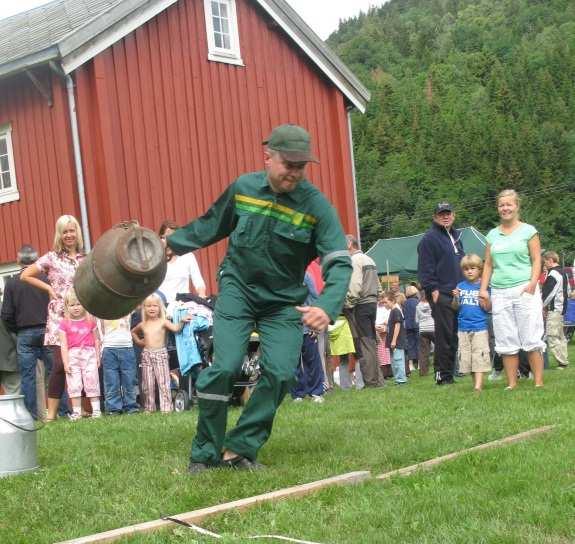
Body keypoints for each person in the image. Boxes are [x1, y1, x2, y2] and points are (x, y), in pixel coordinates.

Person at [166, 124, 352, 472]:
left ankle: (240, 448)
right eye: (288, 164)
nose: (294, 173)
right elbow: (210, 225)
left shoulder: (316, 207)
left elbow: (338, 262)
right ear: (268, 157)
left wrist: (326, 306)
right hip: (238, 289)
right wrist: (169, 246)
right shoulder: (244, 188)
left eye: (301, 167)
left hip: (283, 302)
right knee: (225, 367)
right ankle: (205, 453)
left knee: (281, 373)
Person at [479, 189, 545, 390]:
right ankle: (511, 383)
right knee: (506, 336)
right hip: (499, 291)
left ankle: (538, 382)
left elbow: (536, 259)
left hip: (524, 288)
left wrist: (533, 282)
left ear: (517, 206)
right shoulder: (492, 235)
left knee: (530, 335)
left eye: (509, 204)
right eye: (501, 205)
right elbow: (488, 264)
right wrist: (484, 289)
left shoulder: (528, 231)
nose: (505, 208)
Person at [21, 215, 85, 420]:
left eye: (72, 230)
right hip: (59, 318)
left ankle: (85, 409)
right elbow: (25, 275)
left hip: (82, 317)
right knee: (59, 365)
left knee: (83, 362)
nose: (69, 235)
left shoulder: (85, 259)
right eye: (65, 231)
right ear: (60, 234)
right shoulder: (51, 257)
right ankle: (51, 415)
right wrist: (48, 287)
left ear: (77, 233)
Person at [1, 245, 54, 419]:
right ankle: (61, 411)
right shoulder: (47, 280)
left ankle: (30, 416)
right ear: (37, 261)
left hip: (25, 333)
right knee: (55, 372)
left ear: (18, 261)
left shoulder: (12, 283)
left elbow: (6, 315)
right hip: (48, 330)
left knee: (28, 377)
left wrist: (17, 331)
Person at [417, 202, 464, 385]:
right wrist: (432, 289)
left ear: (454, 215)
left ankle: (450, 373)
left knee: (453, 336)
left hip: (457, 292)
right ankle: (442, 375)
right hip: (441, 293)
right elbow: (425, 267)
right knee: (443, 336)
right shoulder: (429, 239)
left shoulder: (457, 237)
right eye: (441, 214)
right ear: (435, 217)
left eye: (448, 213)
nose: (445, 216)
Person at [131, 293, 190, 413]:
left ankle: (166, 408)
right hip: (146, 355)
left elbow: (176, 329)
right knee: (148, 384)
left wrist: (182, 321)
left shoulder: (163, 322)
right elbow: (133, 332)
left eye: (155, 306)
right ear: (144, 309)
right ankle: (149, 407)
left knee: (163, 382)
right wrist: (139, 341)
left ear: (160, 308)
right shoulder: (143, 324)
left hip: (160, 355)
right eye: (148, 306)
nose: (152, 308)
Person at [343, 234, 383, 388]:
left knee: (363, 343)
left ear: (349, 245)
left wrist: (348, 303)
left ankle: (371, 382)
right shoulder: (369, 259)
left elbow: (355, 287)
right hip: (371, 304)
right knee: (371, 342)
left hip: (360, 305)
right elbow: (378, 287)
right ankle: (378, 381)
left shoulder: (353, 260)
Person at [59, 289, 101, 420]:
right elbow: (63, 345)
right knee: (74, 383)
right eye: (72, 305)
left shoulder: (90, 320)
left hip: (89, 354)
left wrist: (98, 356)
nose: (76, 308)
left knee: (92, 380)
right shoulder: (64, 323)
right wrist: (65, 362)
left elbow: (97, 339)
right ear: (67, 307)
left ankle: (96, 410)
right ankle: (76, 412)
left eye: (78, 304)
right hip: (72, 356)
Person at [452, 254, 492, 391]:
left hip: (479, 327)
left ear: (480, 269)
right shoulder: (460, 286)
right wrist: (456, 298)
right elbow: (455, 307)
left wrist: (485, 301)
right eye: (466, 269)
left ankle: (478, 386)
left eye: (473, 268)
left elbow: (488, 308)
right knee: (467, 357)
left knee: (479, 355)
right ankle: (475, 383)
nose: (469, 271)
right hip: (463, 327)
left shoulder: (483, 286)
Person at [291, 270, 326, 403]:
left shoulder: (305, 275)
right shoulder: (280, 276)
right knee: (293, 363)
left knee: (313, 361)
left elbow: (314, 299)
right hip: (289, 327)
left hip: (307, 325)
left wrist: (315, 325)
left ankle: (316, 392)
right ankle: (298, 394)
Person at [98, 315, 140, 415]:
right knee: (111, 380)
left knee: (129, 379)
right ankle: (113, 408)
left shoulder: (126, 306)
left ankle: (131, 406)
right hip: (109, 347)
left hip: (127, 347)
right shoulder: (103, 309)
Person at [158, 220, 207, 304]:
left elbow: (198, 280)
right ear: (161, 238)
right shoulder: (155, 259)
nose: (169, 242)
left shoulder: (187, 256)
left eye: (173, 238)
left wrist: (202, 294)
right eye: (166, 238)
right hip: (160, 306)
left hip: (182, 304)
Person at [541, 250, 569, 369]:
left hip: (555, 309)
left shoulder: (553, 274)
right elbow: (566, 290)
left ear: (550, 260)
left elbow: (549, 293)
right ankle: (564, 360)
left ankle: (562, 362)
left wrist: (541, 305)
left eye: (545, 262)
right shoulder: (563, 273)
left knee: (552, 336)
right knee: (560, 336)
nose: (544, 265)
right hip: (561, 308)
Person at [382, 291, 407, 385]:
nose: (384, 304)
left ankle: (401, 380)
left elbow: (397, 325)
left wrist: (394, 340)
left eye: (386, 302)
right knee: (394, 362)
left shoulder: (396, 311)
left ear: (392, 301)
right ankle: (398, 379)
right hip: (393, 342)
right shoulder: (392, 311)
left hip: (397, 342)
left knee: (398, 360)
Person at [415, 290, 434, 377]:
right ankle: (438, 367)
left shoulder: (418, 306)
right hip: (433, 328)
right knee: (438, 349)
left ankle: (423, 372)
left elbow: (416, 320)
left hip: (423, 329)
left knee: (423, 352)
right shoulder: (432, 304)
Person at [0, 315, 19, 395]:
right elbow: (15, 336)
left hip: (8, 360)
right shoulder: (7, 309)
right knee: (13, 395)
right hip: (9, 360)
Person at [404, 285, 419, 373]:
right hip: (417, 325)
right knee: (419, 344)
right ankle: (420, 364)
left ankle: (410, 364)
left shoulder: (405, 303)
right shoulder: (417, 302)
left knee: (410, 345)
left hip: (408, 326)